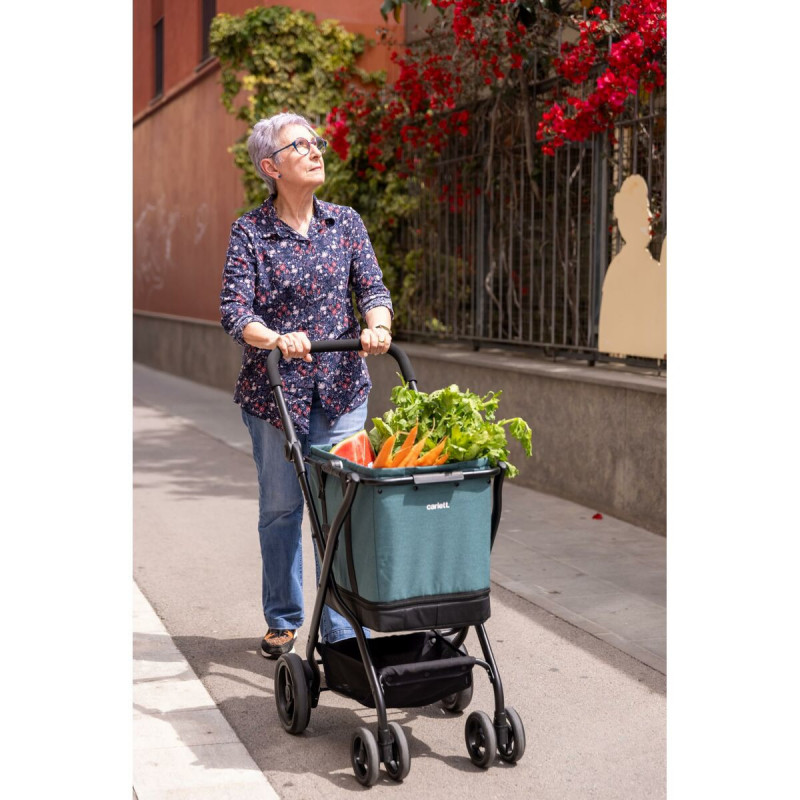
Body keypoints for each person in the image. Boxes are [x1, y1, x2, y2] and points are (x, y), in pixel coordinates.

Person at [220, 112, 394, 658]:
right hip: (276, 396)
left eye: (316, 142)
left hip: (342, 387)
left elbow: (373, 287)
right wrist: (273, 338)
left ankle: (341, 625)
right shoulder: (251, 231)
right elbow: (234, 312)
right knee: (282, 509)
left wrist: (379, 324)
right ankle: (284, 617)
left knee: (340, 505)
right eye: (300, 145)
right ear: (271, 166)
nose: (316, 150)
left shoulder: (346, 222)